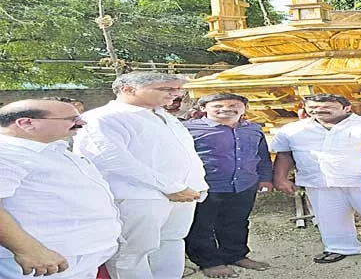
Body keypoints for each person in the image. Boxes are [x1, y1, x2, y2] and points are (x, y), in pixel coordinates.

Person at [75, 72, 209, 279]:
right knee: (131, 254)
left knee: (172, 242)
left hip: (183, 194)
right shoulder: (102, 118)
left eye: (177, 89)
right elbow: (112, 159)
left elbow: (187, 153)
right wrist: (170, 187)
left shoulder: (163, 115)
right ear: (128, 89)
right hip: (138, 196)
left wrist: (197, 183)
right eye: (167, 89)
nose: (176, 94)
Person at [271, 94, 361, 266]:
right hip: (319, 181)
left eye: (327, 107)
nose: (319, 111)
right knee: (329, 218)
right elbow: (284, 154)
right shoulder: (292, 130)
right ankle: (339, 247)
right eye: (312, 108)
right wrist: (280, 178)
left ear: (347, 108)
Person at [0, 99, 120, 278]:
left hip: (74, 254)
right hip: (44, 261)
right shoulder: (6, 153)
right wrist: (27, 249)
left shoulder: (50, 149)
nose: (81, 123)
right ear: (26, 123)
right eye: (71, 119)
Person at [183, 93, 273, 278]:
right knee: (201, 225)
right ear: (203, 108)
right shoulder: (187, 129)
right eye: (218, 106)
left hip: (243, 185)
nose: (226, 109)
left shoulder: (254, 129)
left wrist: (265, 179)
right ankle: (209, 262)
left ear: (244, 109)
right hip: (206, 187)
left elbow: (262, 157)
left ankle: (235, 255)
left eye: (233, 105)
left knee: (237, 222)